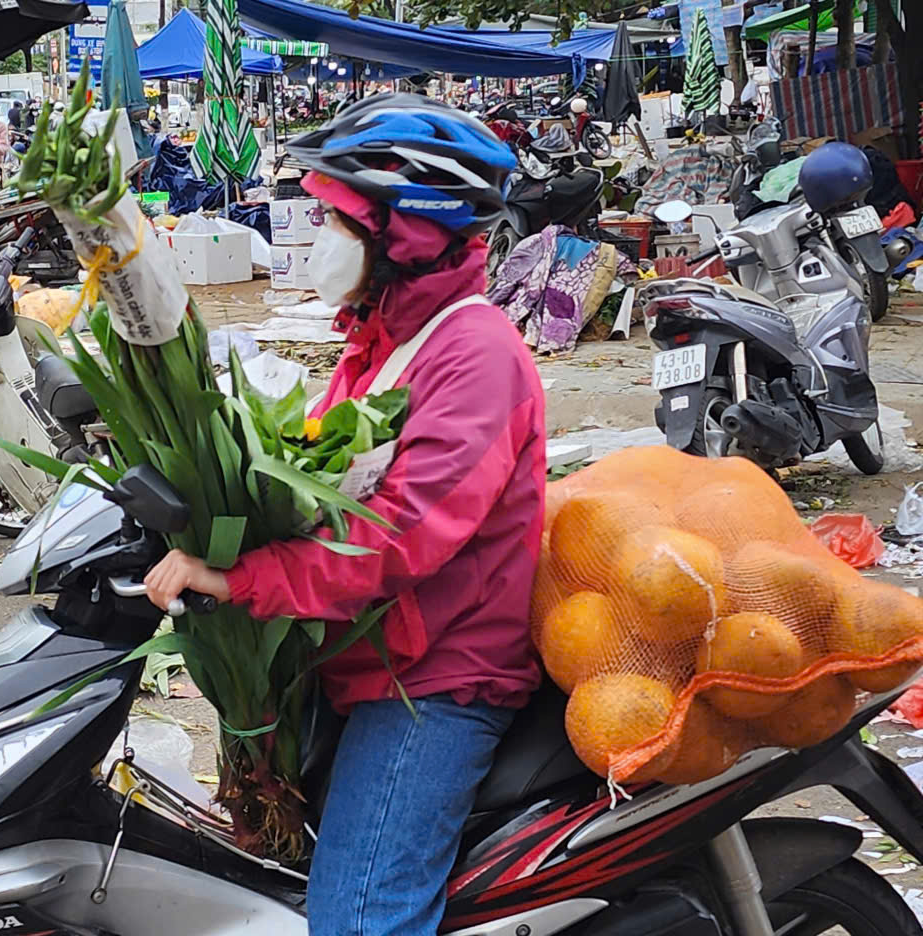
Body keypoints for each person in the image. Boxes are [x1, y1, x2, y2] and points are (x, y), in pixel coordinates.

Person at [143, 94, 544, 936]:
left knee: (360, 920)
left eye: (339, 221)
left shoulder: (475, 354)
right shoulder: (382, 339)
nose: (318, 235)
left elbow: (396, 537)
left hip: (436, 679)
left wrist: (238, 576)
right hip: (364, 658)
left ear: (410, 235)